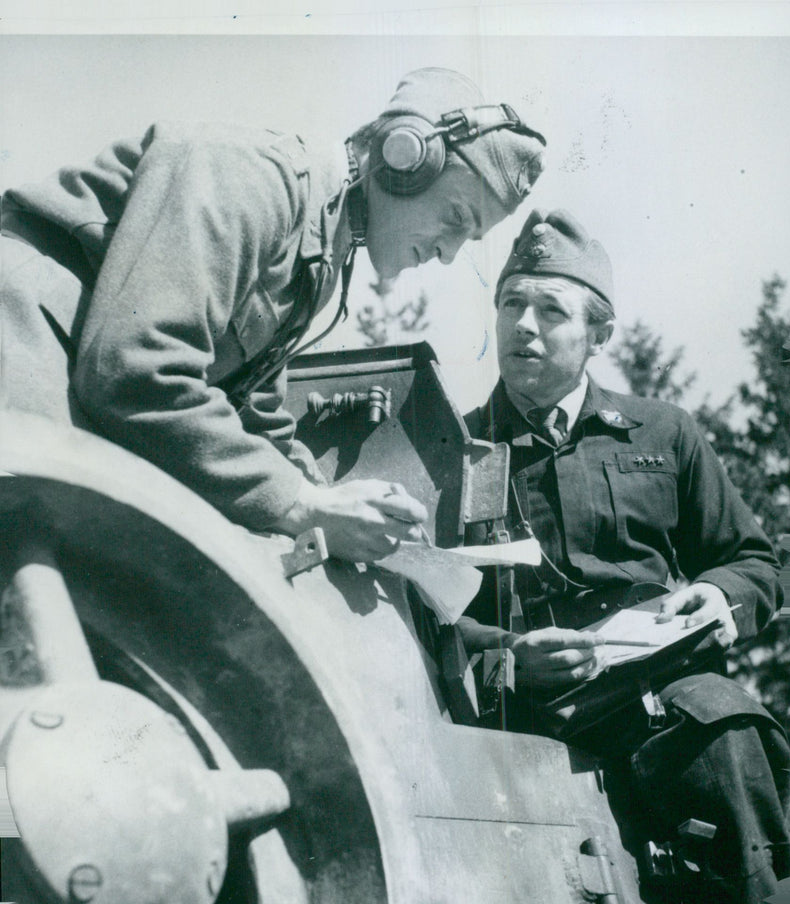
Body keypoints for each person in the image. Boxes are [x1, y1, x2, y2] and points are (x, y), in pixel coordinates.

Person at [0, 68, 546, 562]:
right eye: (455, 218)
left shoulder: (318, 254)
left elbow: (251, 411)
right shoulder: (249, 177)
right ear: (405, 159)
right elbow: (134, 368)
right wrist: (300, 503)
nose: (449, 253)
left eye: (468, 239)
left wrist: (328, 495)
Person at [458, 208, 790, 904]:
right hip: (526, 718)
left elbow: (751, 560)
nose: (523, 324)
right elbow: (427, 619)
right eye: (511, 302)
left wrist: (715, 594)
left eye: (551, 309)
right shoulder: (451, 450)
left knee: (728, 726)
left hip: (664, 704)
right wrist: (513, 656)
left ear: (598, 334)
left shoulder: (663, 432)